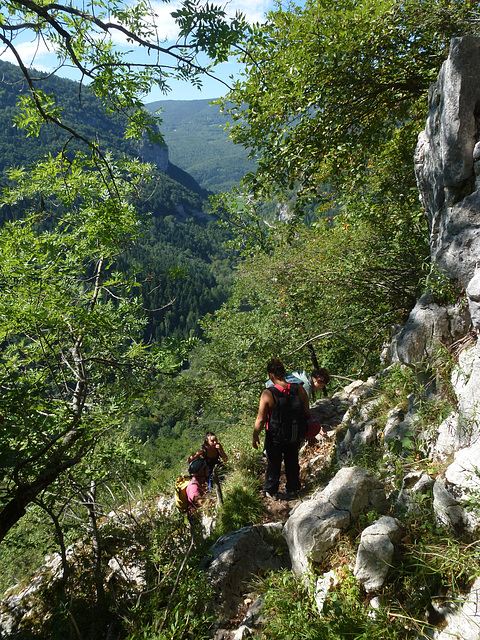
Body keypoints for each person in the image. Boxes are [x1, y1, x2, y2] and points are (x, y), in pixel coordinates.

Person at [253, 357, 313, 499]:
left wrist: (255, 436)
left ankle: (271, 490)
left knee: (274, 462)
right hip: (294, 433)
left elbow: (260, 419)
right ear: (284, 373)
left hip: (275, 436)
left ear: (271, 375)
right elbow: (307, 411)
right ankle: (293, 488)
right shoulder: (299, 389)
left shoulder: (268, 394)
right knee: (292, 459)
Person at [266, 367, 330, 400]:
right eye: (321, 386)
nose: (319, 388)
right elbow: (303, 409)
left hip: (270, 391)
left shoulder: (300, 376)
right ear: (318, 381)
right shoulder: (306, 386)